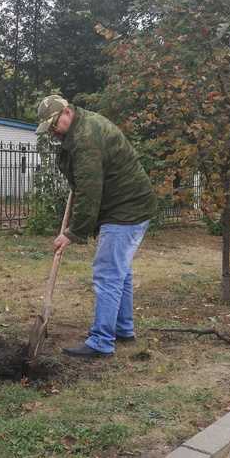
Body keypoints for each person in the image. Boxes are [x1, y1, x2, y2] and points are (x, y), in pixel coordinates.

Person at [36, 95, 157, 358]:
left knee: (107, 272)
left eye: (55, 123)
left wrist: (73, 232)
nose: (54, 131)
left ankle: (102, 341)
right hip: (130, 204)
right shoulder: (80, 128)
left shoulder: (86, 138)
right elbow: (85, 182)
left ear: (67, 111)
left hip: (127, 208)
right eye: (50, 127)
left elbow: (90, 191)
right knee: (120, 271)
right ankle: (123, 329)